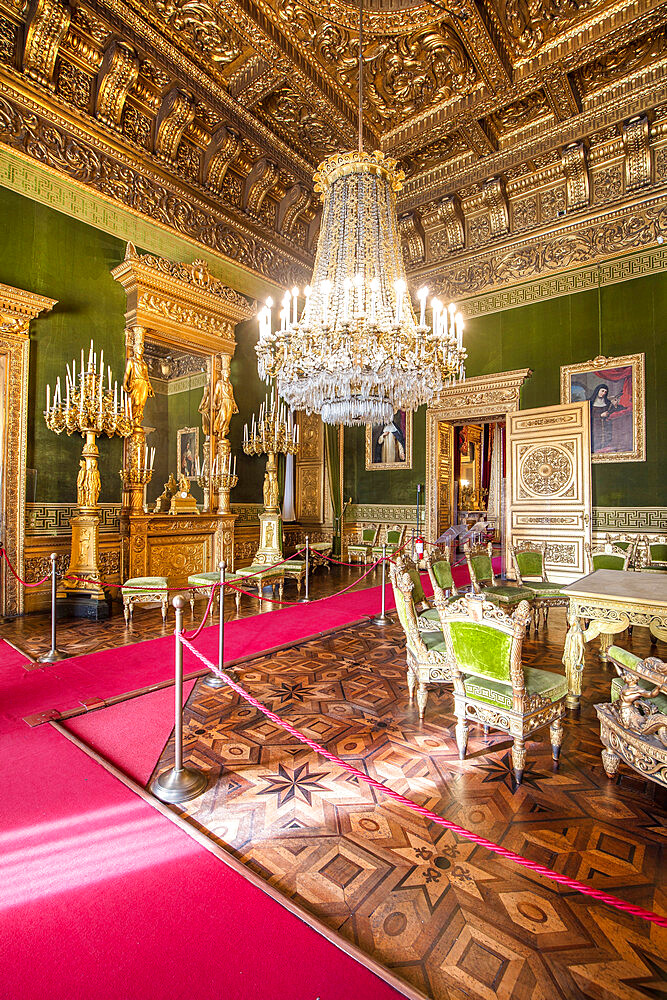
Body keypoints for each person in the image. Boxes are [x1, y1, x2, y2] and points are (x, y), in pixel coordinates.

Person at [589, 383, 624, 452]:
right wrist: (600, 416)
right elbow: (587, 415)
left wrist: (615, 405)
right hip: (594, 427)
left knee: (606, 443)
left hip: (606, 427)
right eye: (602, 391)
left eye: (605, 392)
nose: (603, 393)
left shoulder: (608, 403)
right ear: (597, 391)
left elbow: (613, 411)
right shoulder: (589, 403)